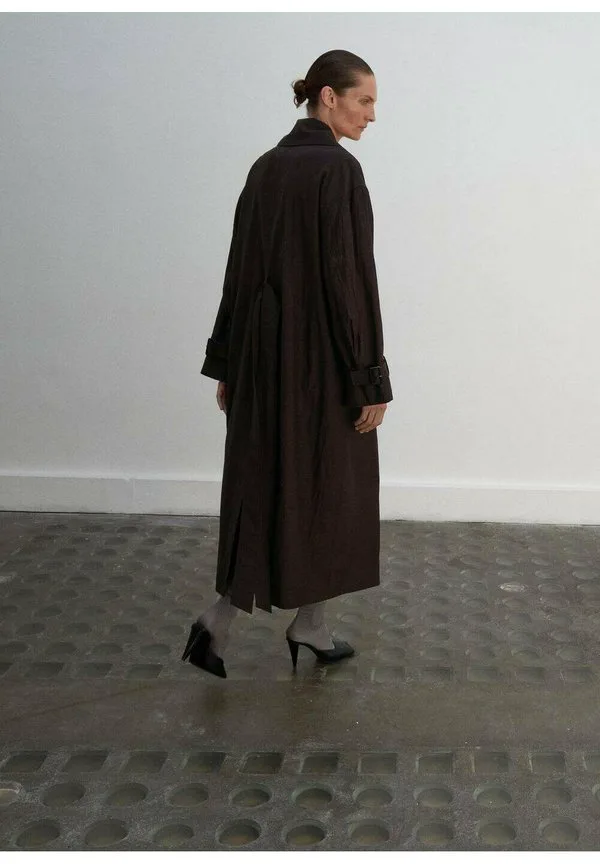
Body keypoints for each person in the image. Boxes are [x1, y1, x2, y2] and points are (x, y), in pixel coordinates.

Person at [182, 49, 393, 679]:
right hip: (322, 366)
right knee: (329, 491)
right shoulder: (339, 171)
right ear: (328, 97)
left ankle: (238, 624)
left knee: (264, 485)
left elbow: (239, 270)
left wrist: (228, 364)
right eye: (364, 100)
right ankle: (295, 624)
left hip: (261, 363)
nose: (371, 115)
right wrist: (371, 378)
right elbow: (350, 283)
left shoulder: (265, 167)